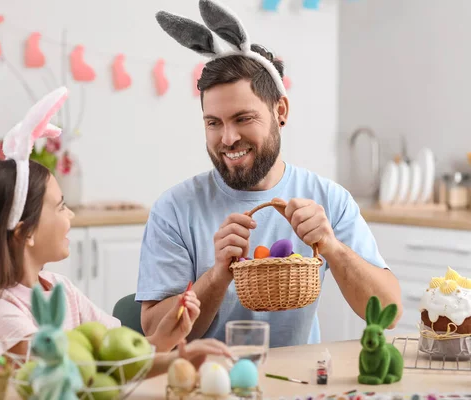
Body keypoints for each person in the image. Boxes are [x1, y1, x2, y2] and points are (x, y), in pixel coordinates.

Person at [137, 0, 402, 347]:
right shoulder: (174, 209)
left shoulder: (327, 200)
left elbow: (390, 311)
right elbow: (156, 335)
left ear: (281, 111)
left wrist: (332, 248)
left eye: (243, 119)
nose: (228, 138)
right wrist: (217, 276)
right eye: (214, 123)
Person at [0, 87, 231, 373]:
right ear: (24, 233)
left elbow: (112, 360)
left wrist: (162, 339)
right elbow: (74, 377)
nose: (69, 214)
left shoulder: (60, 289)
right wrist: (176, 359)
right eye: (60, 206)